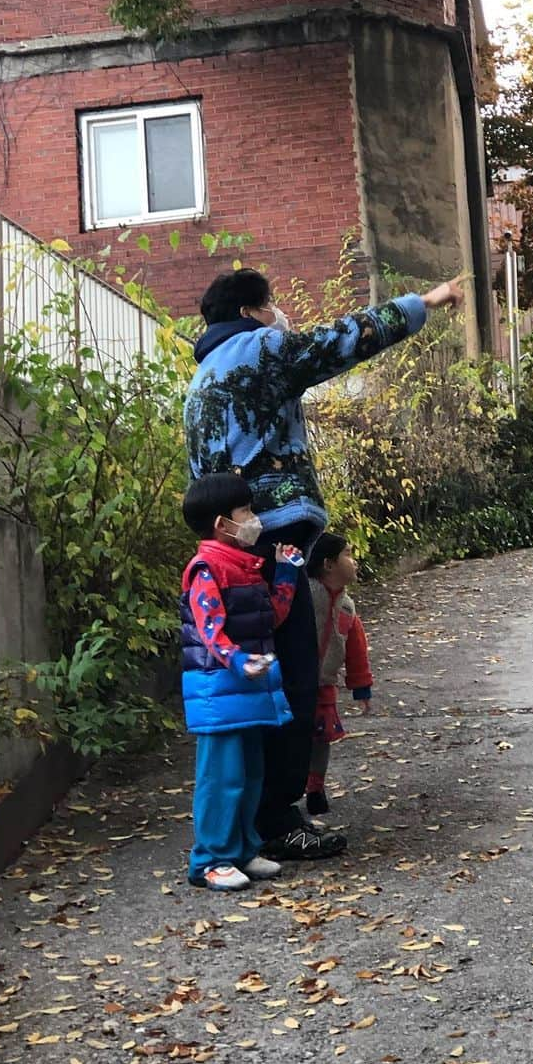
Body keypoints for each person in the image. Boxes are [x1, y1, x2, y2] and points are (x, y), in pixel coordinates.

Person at [184, 267, 463, 861]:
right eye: (272, 304)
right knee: (294, 676)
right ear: (253, 311)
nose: (280, 315)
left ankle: (246, 826)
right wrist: (425, 301)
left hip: (229, 547)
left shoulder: (203, 379)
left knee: (255, 681)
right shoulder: (256, 348)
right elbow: (341, 340)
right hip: (276, 540)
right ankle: (279, 818)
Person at [179, 472, 303, 892]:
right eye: (246, 511)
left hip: (246, 688)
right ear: (222, 524)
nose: (254, 519)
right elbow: (209, 627)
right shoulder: (206, 568)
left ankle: (242, 850)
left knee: (250, 774)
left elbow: (272, 617)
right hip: (220, 690)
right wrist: (235, 661)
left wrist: (285, 573)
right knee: (221, 777)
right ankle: (210, 859)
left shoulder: (246, 567)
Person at [305, 532, 371, 816]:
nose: (354, 561)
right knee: (293, 739)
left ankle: (315, 788)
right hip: (294, 683)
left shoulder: (346, 606)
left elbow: (356, 648)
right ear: (328, 564)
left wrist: (361, 686)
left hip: (324, 685)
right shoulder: (306, 596)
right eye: (348, 554)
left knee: (321, 741)